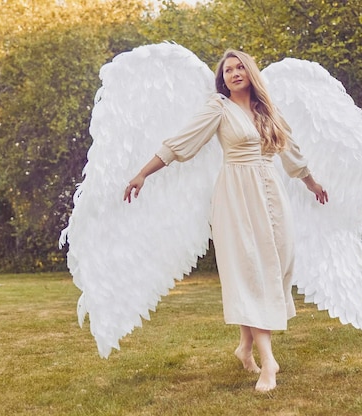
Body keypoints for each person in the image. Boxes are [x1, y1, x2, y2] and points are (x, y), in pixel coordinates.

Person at [122, 49, 328, 392]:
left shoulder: (268, 111)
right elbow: (180, 143)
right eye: (227, 70)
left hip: (271, 194)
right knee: (250, 270)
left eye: (239, 67)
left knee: (279, 265)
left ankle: (244, 347)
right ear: (223, 78)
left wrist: (313, 183)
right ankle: (268, 363)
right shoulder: (218, 108)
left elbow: (292, 155)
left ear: (250, 73)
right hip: (236, 195)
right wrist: (143, 173)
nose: (233, 73)